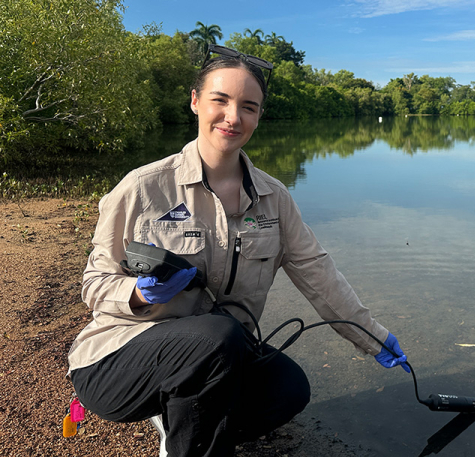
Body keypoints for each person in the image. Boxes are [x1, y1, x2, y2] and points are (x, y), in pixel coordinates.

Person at [67, 44, 409, 457]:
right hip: (119, 358)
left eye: (249, 106)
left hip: (216, 355)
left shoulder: (274, 198)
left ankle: (182, 420)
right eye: (220, 100)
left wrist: (374, 337)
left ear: (259, 116)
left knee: (288, 388)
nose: (233, 117)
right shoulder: (143, 187)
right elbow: (94, 283)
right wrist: (137, 293)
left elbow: (319, 275)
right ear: (195, 101)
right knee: (219, 334)